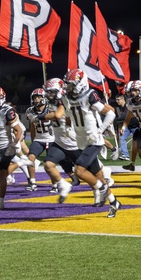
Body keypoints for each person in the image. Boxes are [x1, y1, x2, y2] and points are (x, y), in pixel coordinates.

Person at [43, 69, 122, 217]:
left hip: (94, 140)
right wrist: (67, 125)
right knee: (97, 175)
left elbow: (110, 113)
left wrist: (100, 130)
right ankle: (114, 202)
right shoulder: (66, 98)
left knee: (79, 171)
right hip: (81, 141)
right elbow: (68, 115)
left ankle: (100, 188)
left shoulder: (89, 95)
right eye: (69, 85)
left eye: (73, 85)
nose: (70, 88)